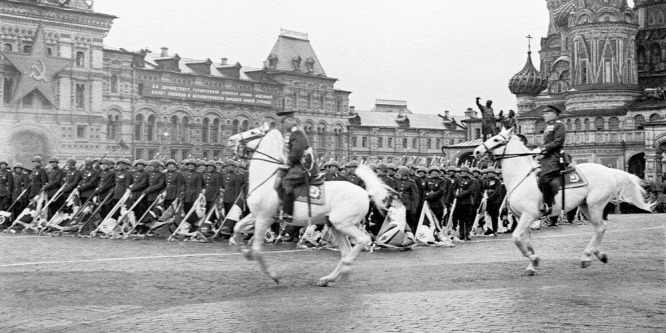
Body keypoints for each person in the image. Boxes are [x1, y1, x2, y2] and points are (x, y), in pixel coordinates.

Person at [278, 123, 318, 222]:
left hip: (306, 165)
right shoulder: (293, 133)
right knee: (280, 175)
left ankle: (288, 213)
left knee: (287, 181)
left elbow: (297, 151)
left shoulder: (296, 133)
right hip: (300, 164)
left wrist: (288, 161)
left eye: (284, 119)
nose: (282, 121)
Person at [532, 105, 566, 219]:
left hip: (554, 157)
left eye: (547, 113)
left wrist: (543, 150)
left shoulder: (559, 125)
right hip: (546, 156)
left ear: (555, 114)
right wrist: (538, 151)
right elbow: (546, 142)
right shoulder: (549, 127)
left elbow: (557, 142)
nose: (544, 115)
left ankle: (547, 204)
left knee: (544, 177)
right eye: (544, 113)